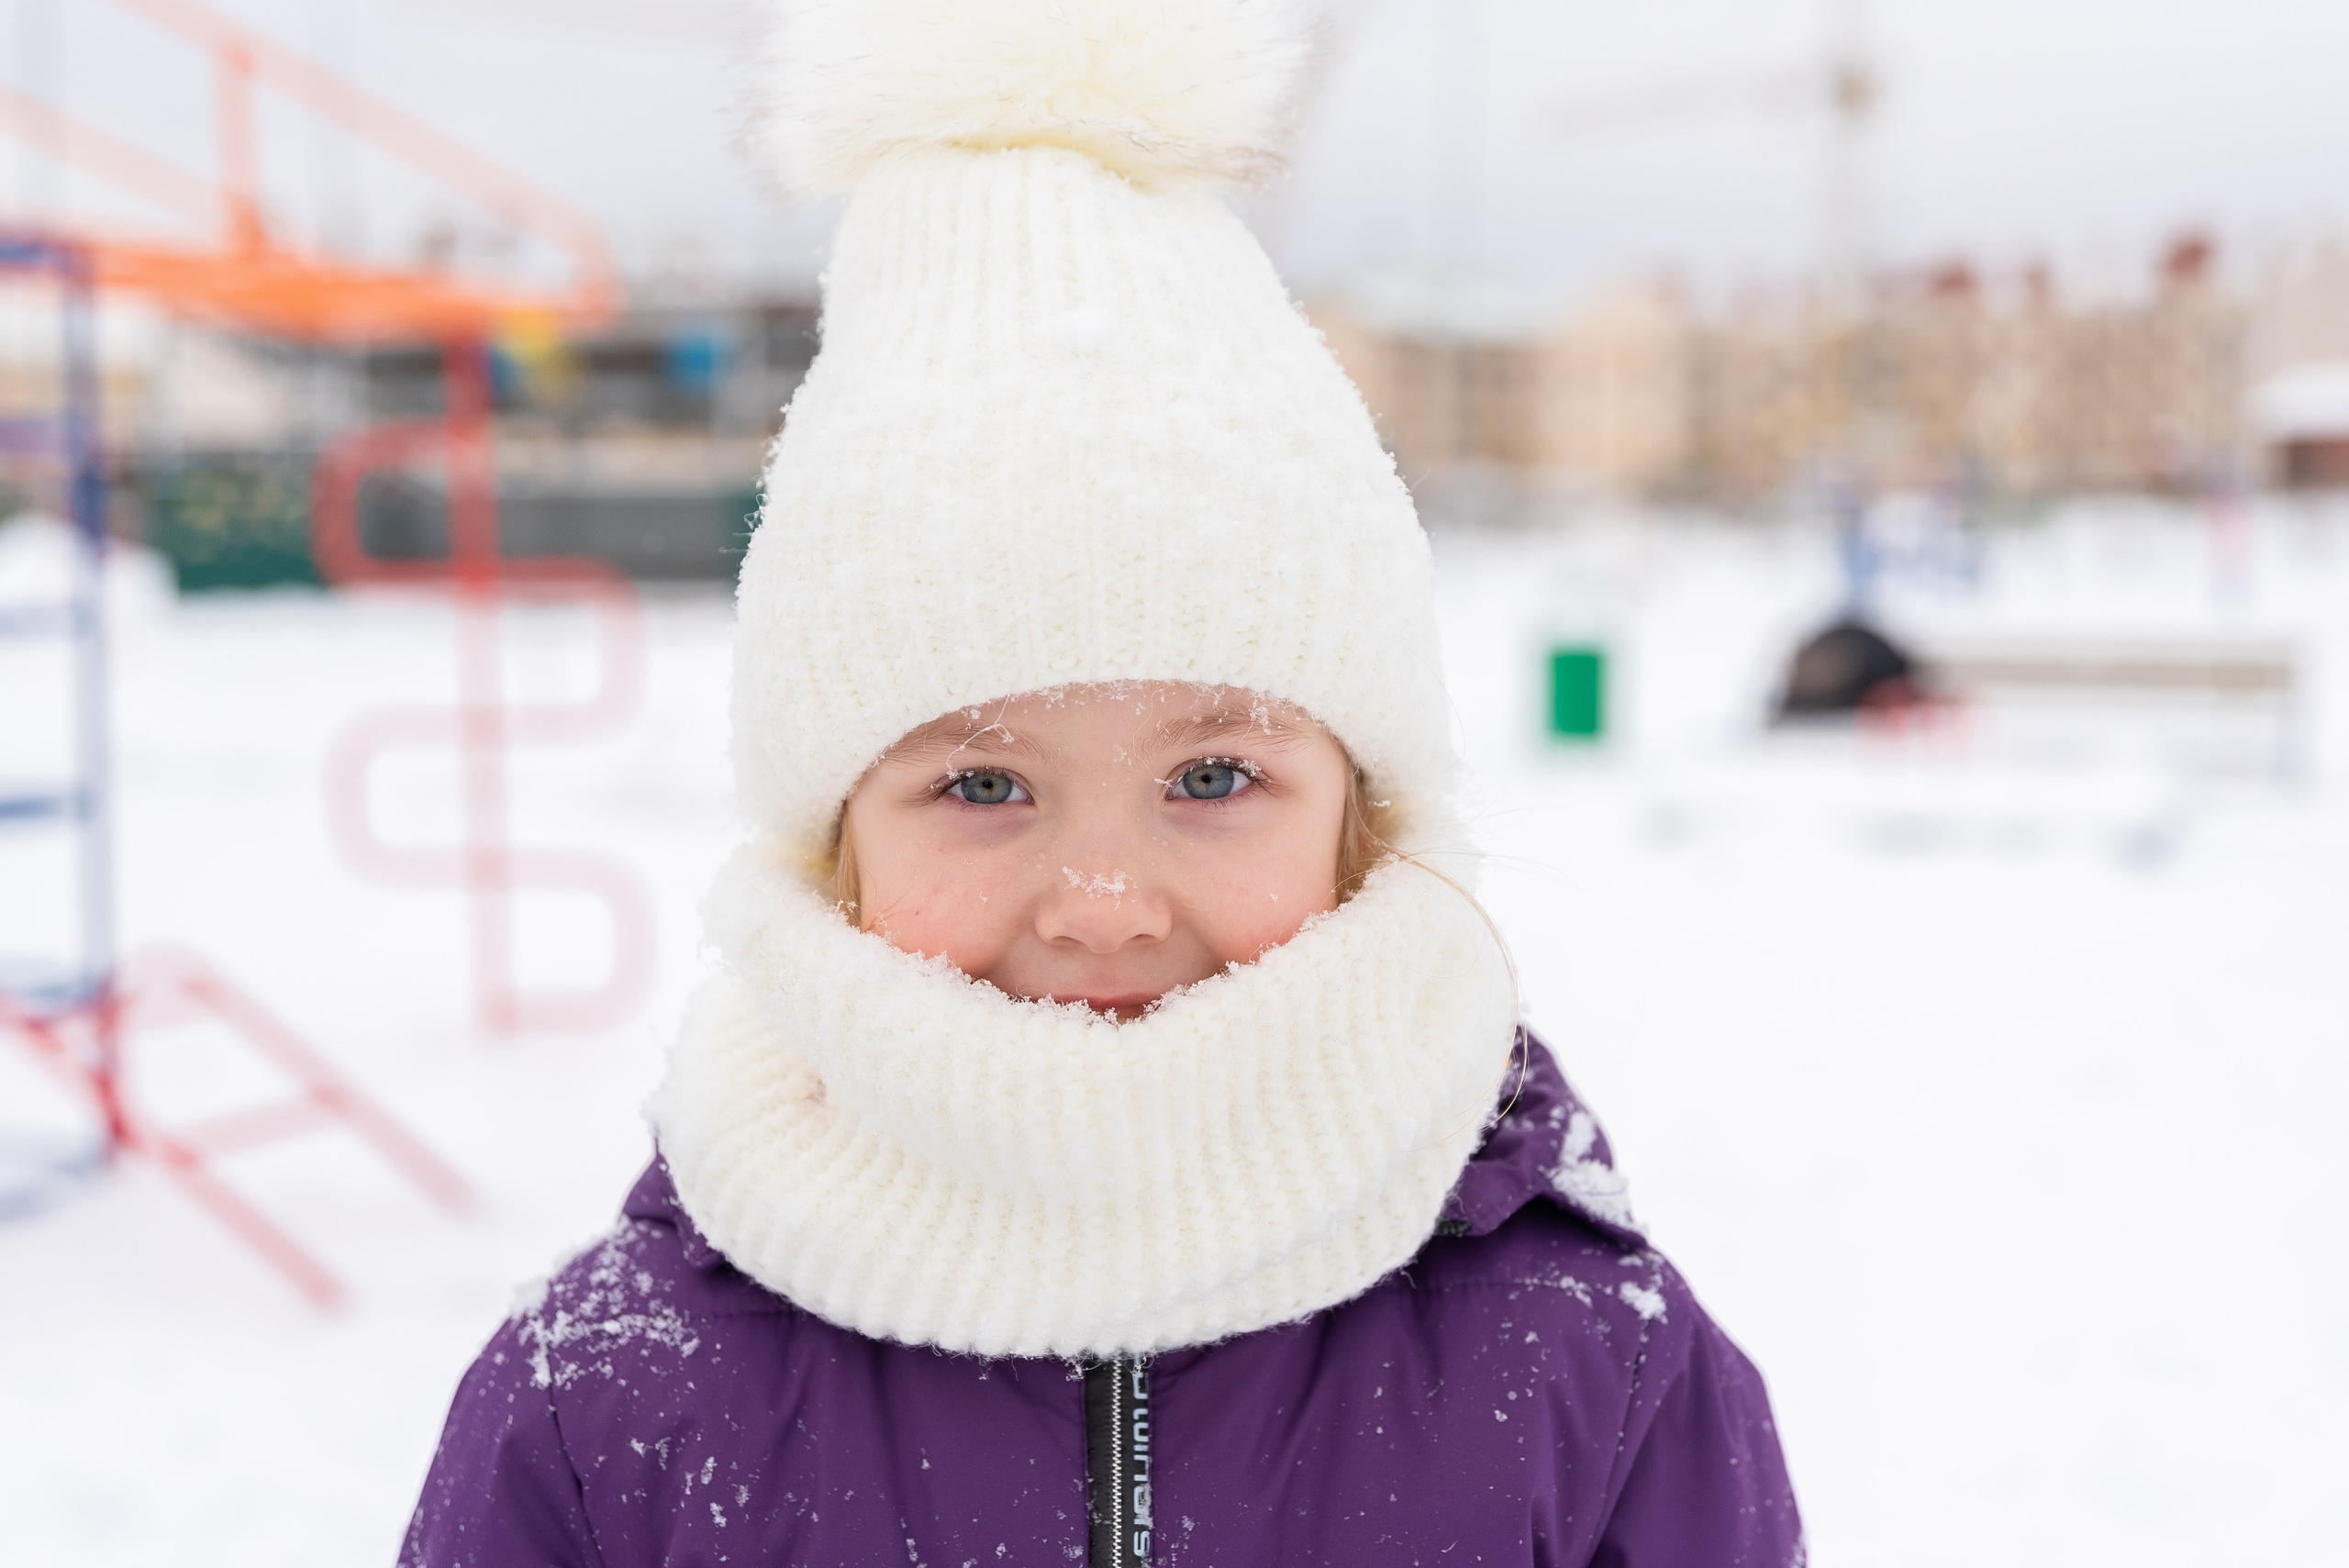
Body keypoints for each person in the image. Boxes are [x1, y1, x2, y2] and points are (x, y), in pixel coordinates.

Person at [400, 3, 1803, 1563]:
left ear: (1366, 813)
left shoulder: (1591, 1363)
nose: (1104, 903)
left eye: (1212, 772)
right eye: (984, 786)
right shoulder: (609, 1407)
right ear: (830, 840)